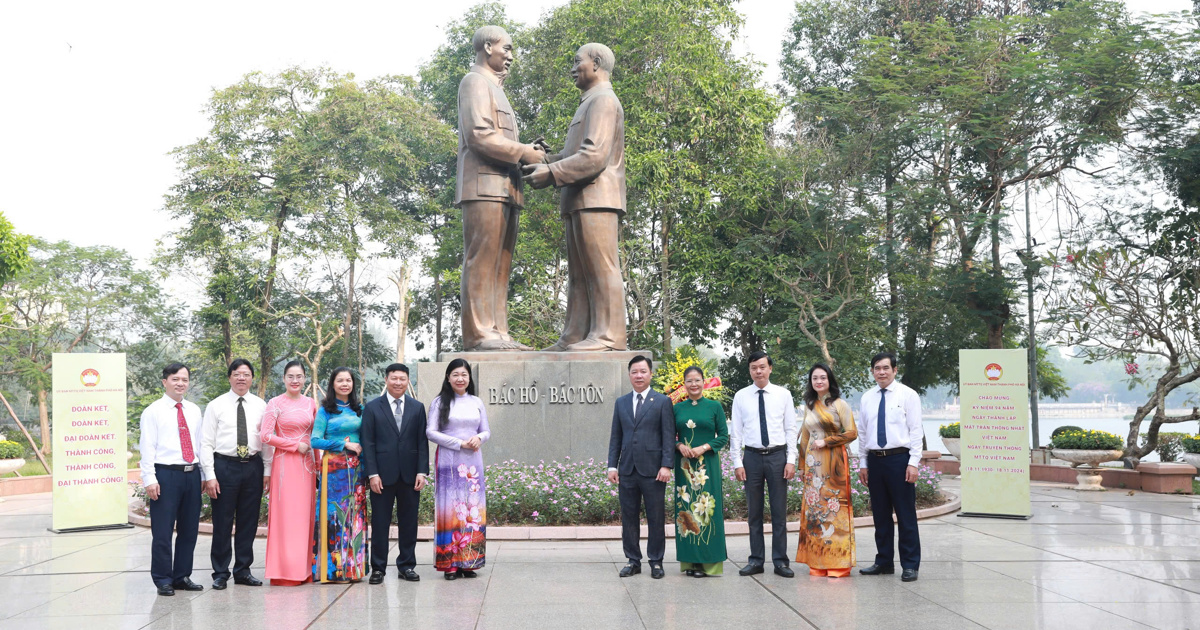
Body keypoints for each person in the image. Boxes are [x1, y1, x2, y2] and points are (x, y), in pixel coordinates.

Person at [523, 43, 626, 352]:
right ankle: (575, 335)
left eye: (577, 60)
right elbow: (573, 155)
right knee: (579, 273)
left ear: (596, 64)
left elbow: (593, 157)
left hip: (597, 197)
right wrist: (543, 159)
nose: (573, 67)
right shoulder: (588, 102)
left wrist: (551, 173)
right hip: (578, 198)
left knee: (601, 266)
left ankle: (609, 336)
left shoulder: (604, 101)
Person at [455, 24, 545, 351]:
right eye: (506, 48)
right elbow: (479, 135)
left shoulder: (495, 87)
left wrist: (528, 150)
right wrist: (523, 151)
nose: (510, 56)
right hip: (483, 186)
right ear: (488, 46)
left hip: (506, 187)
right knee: (482, 261)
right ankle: (479, 333)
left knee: (501, 266)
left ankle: (499, 332)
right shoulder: (474, 82)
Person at [201, 358, 271, 590]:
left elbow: (267, 441)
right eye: (237, 374)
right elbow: (206, 442)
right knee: (222, 521)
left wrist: (267, 470)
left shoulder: (262, 405)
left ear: (252, 378)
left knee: (248, 522)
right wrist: (209, 474)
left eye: (246, 374)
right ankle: (220, 572)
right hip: (224, 467)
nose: (242, 378)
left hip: (253, 466)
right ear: (229, 377)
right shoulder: (216, 405)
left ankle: (243, 570)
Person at [730, 351, 797, 578]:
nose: (758, 371)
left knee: (779, 513)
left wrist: (791, 460)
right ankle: (756, 560)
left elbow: (791, 429)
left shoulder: (783, 394)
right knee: (754, 514)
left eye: (762, 367)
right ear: (749, 370)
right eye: (753, 368)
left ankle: (780, 561)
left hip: (778, 457)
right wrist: (737, 462)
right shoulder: (741, 396)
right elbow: (736, 433)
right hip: (751, 458)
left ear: (770, 368)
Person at [139, 362, 205, 596]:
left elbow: (199, 444)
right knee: (163, 531)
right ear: (165, 381)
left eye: (184, 379)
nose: (180, 383)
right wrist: (149, 478)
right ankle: (163, 578)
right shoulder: (153, 411)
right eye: (175, 379)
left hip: (191, 473)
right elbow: (147, 447)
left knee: (189, 530)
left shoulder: (194, 410)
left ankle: (181, 576)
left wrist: (204, 474)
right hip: (165, 475)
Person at [857, 351, 923, 582]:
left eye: (886, 368)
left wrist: (913, 463)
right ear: (872, 371)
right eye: (877, 368)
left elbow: (916, 432)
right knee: (880, 515)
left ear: (895, 370)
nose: (881, 372)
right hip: (875, 460)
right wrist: (863, 463)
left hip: (899, 460)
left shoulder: (908, 395)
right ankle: (884, 561)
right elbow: (863, 433)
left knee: (905, 514)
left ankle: (910, 564)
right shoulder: (867, 398)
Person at [607, 355, 674, 579]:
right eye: (634, 371)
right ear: (629, 375)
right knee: (629, 517)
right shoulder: (621, 402)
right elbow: (616, 437)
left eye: (643, 371)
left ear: (650, 374)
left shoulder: (663, 402)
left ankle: (656, 561)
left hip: (654, 471)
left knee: (656, 517)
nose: (639, 375)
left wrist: (666, 465)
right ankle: (633, 560)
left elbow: (667, 436)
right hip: (627, 470)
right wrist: (611, 466)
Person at [361, 363, 429, 584]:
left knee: (409, 522)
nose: (398, 382)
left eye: (402, 378)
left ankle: (407, 565)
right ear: (386, 379)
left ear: (408, 381)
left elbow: (421, 441)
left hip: (410, 475)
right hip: (382, 475)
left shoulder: (417, 407)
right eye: (394, 378)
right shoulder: (372, 407)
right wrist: (372, 474)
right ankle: (378, 568)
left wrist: (422, 471)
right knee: (380, 523)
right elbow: (368, 443)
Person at [426, 359, 491, 580]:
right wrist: (458, 443)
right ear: (448, 377)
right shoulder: (439, 402)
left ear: (469, 378)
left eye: (464, 374)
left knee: (472, 508)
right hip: (449, 461)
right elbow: (431, 432)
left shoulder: (476, 402)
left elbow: (486, 431)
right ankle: (450, 564)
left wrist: (478, 438)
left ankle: (469, 561)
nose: (460, 378)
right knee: (451, 508)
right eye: (455, 374)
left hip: (473, 462)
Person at [795, 363, 858, 578]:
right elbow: (804, 437)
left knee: (835, 509)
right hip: (813, 466)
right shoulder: (809, 405)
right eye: (815, 378)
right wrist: (802, 466)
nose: (819, 381)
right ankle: (818, 561)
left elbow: (851, 433)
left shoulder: (840, 404)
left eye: (823, 377)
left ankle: (839, 564)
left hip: (834, 463)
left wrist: (828, 441)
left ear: (829, 379)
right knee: (815, 510)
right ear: (811, 382)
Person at [258, 360, 317, 586]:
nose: (295, 380)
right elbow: (265, 436)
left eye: (299, 376)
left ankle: (304, 571)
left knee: (304, 518)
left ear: (305, 379)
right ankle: (284, 572)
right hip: (285, 464)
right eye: (290, 376)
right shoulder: (274, 403)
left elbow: (316, 433)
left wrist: (319, 462)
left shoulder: (311, 403)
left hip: (308, 466)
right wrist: (293, 445)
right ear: (283, 379)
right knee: (286, 518)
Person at [311, 367, 369, 583]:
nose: (345, 384)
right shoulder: (325, 410)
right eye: (340, 380)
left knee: (354, 517)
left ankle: (353, 569)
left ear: (353, 384)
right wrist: (344, 444)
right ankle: (331, 571)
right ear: (332, 384)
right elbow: (314, 440)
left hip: (356, 471)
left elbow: (366, 440)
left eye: (348, 380)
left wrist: (367, 469)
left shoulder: (360, 409)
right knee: (332, 517)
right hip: (334, 470)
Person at [673, 366, 729, 577]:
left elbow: (723, 436)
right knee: (686, 511)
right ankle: (691, 563)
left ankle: (708, 564)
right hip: (685, 467)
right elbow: (670, 435)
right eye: (689, 381)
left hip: (707, 466)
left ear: (704, 382)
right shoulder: (677, 408)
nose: (693, 384)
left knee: (707, 511)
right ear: (684, 384)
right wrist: (679, 446)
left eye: (697, 380)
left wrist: (703, 447)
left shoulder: (714, 407)